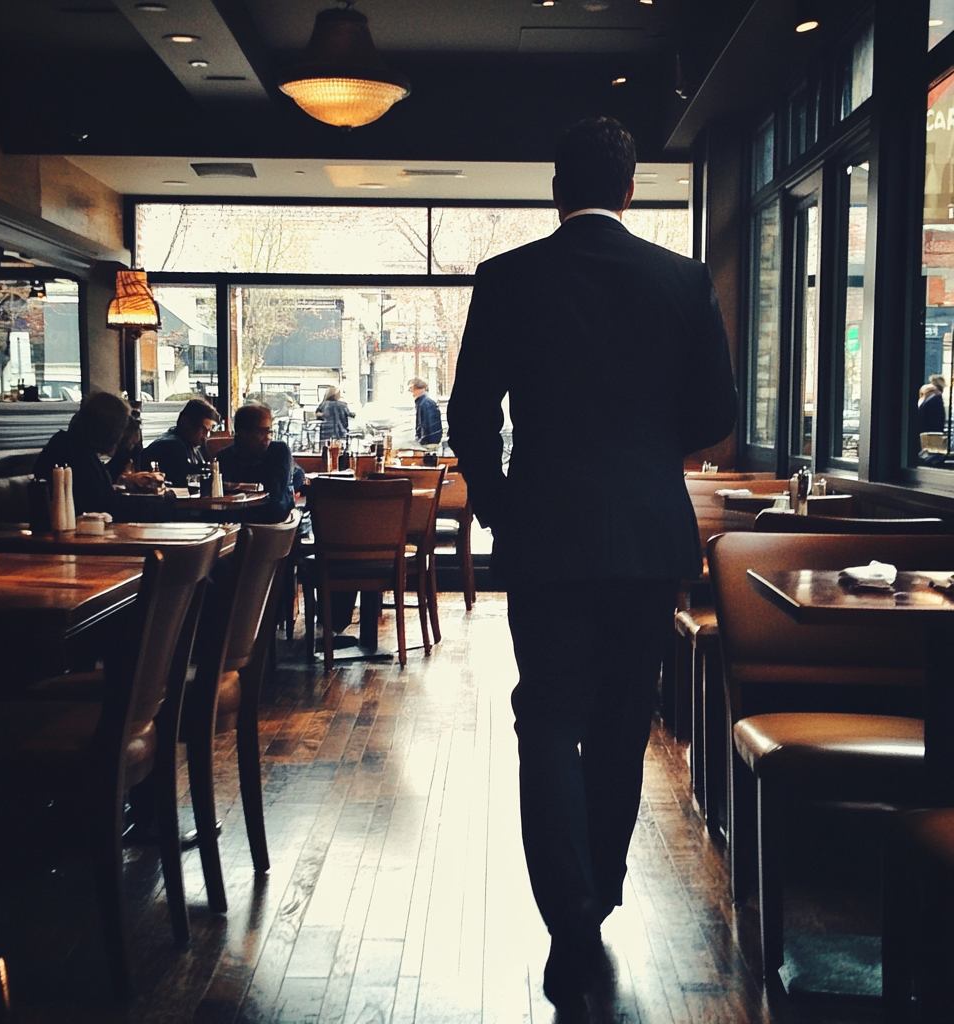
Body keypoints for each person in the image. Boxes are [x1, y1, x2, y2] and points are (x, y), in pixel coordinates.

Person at [446, 117, 737, 1020]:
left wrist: (498, 502)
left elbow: (468, 414)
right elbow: (714, 414)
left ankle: (568, 917)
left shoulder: (507, 278)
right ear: (630, 189)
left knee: (546, 718)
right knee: (622, 719)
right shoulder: (684, 282)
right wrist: (647, 451)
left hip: (543, 537)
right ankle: (601, 890)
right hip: (650, 536)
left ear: (554, 190)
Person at [34, 391, 164, 518]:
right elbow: (105, 506)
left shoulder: (70, 446)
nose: (121, 435)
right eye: (121, 429)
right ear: (109, 430)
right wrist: (161, 503)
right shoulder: (74, 455)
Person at [216, 403, 296, 524]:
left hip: (272, 521)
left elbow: (275, 496)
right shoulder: (224, 457)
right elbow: (221, 496)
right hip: (233, 520)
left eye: (269, 431)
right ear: (242, 432)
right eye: (262, 431)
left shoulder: (278, 451)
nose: (267, 437)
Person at [142, 397, 219, 487]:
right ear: (185, 423)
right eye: (202, 430)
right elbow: (182, 484)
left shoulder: (192, 444)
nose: (205, 437)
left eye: (208, 431)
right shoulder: (170, 446)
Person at [408, 376, 443, 448]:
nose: (409, 390)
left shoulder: (425, 403)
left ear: (415, 388)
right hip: (427, 443)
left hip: (428, 444)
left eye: (411, 387)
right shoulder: (423, 403)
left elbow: (427, 425)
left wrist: (421, 442)